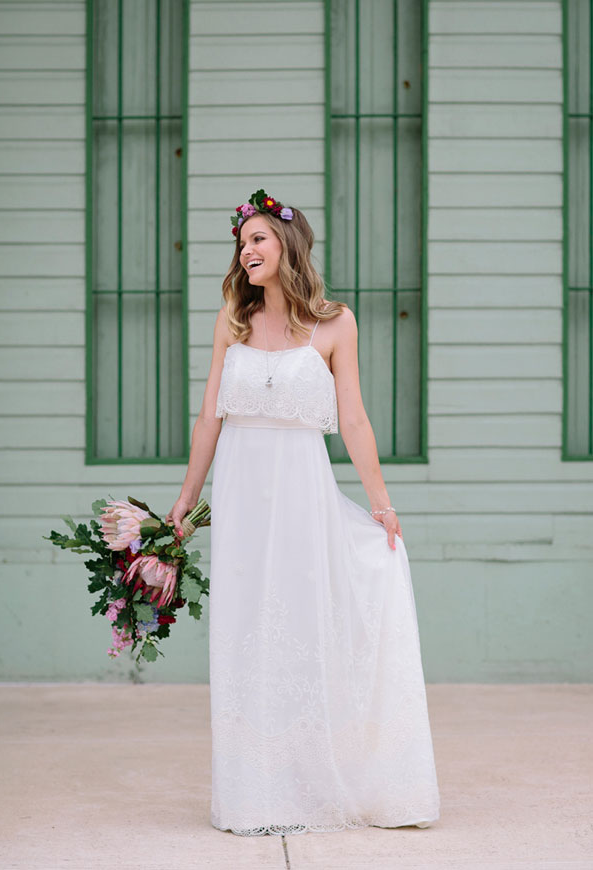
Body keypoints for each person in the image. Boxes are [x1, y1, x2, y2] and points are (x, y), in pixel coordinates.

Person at [166, 190, 440, 836]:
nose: (246, 251)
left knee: (300, 629)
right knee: (245, 633)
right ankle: (254, 794)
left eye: (257, 238)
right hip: (241, 496)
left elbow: (354, 419)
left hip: (300, 494)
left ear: (287, 244)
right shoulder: (232, 319)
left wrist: (381, 503)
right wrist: (187, 497)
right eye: (241, 243)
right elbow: (209, 418)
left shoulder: (335, 324)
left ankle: (316, 781)